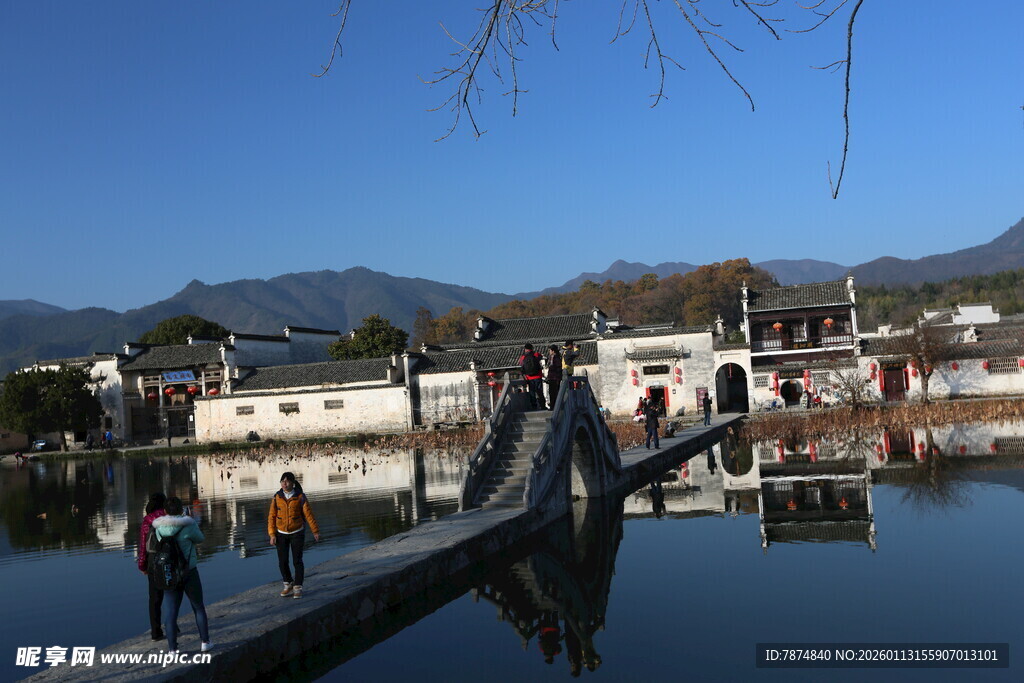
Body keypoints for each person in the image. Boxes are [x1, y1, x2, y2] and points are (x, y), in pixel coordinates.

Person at [153, 497, 211, 652]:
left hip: (169, 573)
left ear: (165, 511)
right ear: (181, 509)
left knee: (171, 612)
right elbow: (200, 539)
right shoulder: (189, 525)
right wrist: (191, 520)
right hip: (189, 571)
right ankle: (205, 642)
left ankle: (172, 649)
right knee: (198, 607)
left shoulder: (158, 528)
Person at [268, 472, 321, 599]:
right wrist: (272, 534)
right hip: (281, 533)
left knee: (297, 561)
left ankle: (298, 587)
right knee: (282, 561)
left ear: (293, 483)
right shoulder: (277, 497)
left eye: (287, 481)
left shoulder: (300, 497)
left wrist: (315, 531)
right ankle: (288, 584)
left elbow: (308, 514)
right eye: (282, 481)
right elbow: (271, 516)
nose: (284, 484)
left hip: (297, 532)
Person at [138, 492, 167, 641]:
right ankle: (171, 624)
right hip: (169, 560)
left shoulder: (147, 521)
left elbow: (143, 546)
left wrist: (142, 565)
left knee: (154, 599)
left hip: (152, 562)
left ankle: (156, 631)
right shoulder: (169, 517)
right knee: (171, 594)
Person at [518, 343, 546, 410]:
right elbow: (542, 357)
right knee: (540, 391)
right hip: (538, 376)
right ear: (531, 348)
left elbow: (521, 366)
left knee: (532, 392)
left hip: (529, 378)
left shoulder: (523, 357)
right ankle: (542, 405)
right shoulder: (536, 354)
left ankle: (534, 406)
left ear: (525, 349)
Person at [546, 345, 563, 409]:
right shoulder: (552, 357)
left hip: (555, 378)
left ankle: (554, 406)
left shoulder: (556, 358)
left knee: (554, 392)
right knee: (552, 392)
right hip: (552, 377)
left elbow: (558, 368)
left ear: (553, 351)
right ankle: (553, 405)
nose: (549, 352)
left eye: (550, 350)